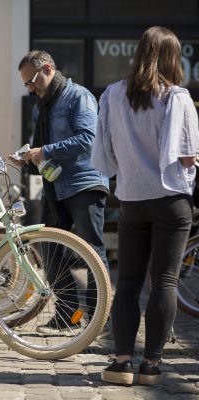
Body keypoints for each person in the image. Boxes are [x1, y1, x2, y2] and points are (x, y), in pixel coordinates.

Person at [92, 26, 199, 386]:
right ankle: (151, 365)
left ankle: (121, 362)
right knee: (164, 281)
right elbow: (187, 158)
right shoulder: (177, 97)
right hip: (171, 200)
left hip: (132, 199)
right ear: (173, 57)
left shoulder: (113, 95)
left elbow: (102, 152)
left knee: (128, 283)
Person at [10, 50, 110, 334]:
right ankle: (69, 315)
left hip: (85, 181)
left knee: (92, 250)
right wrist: (26, 156)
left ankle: (99, 318)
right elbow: (39, 144)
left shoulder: (79, 96)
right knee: (49, 249)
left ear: (48, 69)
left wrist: (47, 151)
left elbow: (89, 138)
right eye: (25, 84)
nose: (29, 87)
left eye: (31, 81)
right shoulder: (41, 104)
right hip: (56, 185)